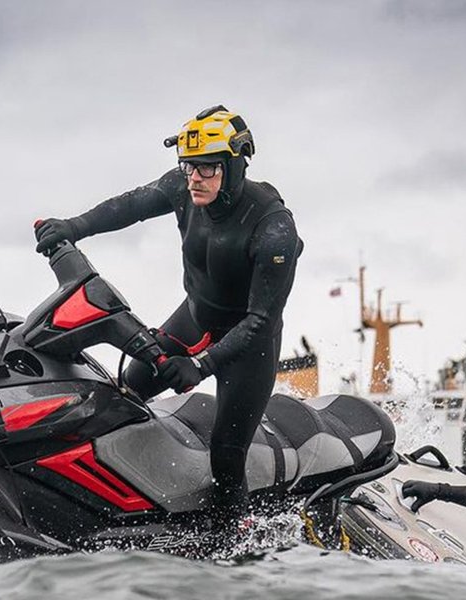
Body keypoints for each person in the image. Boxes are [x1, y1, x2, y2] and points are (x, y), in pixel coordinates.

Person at [33, 105, 303, 530]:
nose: (194, 178)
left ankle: (238, 539)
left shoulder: (274, 227)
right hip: (194, 321)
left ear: (234, 167)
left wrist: (201, 365)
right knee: (123, 394)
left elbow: (261, 322)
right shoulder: (185, 187)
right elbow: (130, 206)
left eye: (207, 169)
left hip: (248, 347)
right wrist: (73, 225)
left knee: (226, 456)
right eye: (187, 166)